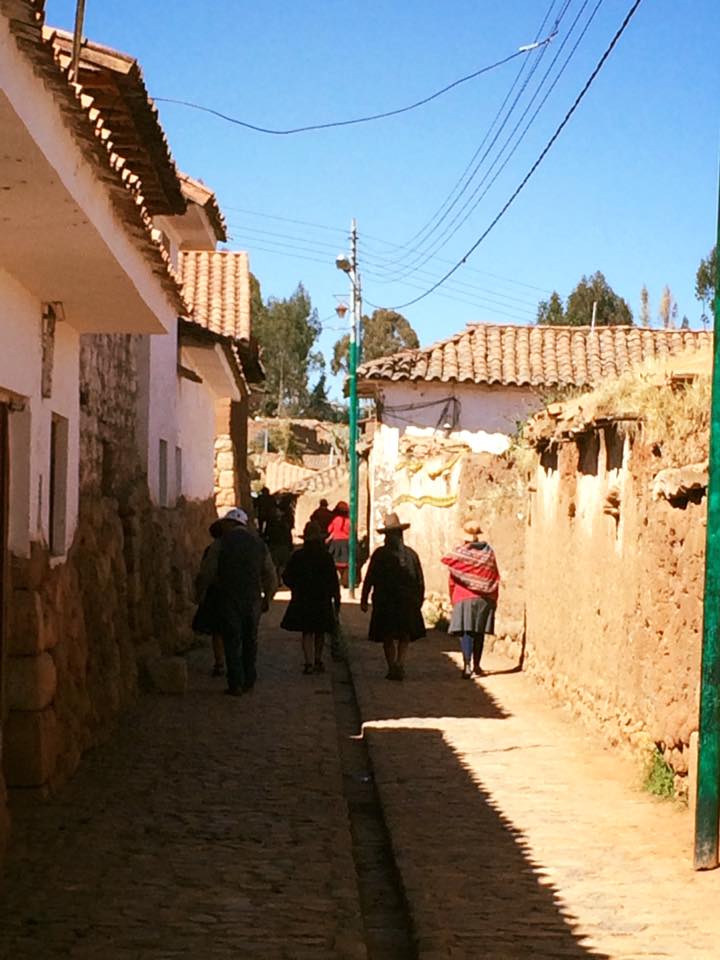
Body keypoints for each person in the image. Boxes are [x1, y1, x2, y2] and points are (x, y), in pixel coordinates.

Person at [211, 507, 278, 696]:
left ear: (230, 524)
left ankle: (235, 683)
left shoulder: (221, 543)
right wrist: (268, 597)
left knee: (232, 639)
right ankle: (249, 678)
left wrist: (201, 593)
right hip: (252, 599)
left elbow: (209, 570)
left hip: (229, 597)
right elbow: (270, 574)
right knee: (250, 639)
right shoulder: (258, 544)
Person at [360, 512, 425, 681]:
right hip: (406, 601)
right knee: (404, 634)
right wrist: (419, 599)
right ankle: (399, 664)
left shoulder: (380, 554)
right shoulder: (411, 555)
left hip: (385, 601)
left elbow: (370, 577)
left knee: (388, 635)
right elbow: (419, 580)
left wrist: (364, 598)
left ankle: (393, 666)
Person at [441, 520, 500, 679]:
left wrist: (453, 597)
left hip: (463, 597)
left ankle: (467, 665)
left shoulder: (459, 554)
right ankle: (477, 665)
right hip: (484, 598)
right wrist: (493, 597)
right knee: (478, 632)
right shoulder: (488, 552)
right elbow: (494, 575)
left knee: (467, 632)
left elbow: (452, 577)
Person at [280, 520, 340, 675]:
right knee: (320, 631)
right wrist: (336, 598)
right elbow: (333, 580)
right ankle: (318, 659)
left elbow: (286, 576)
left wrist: (296, 587)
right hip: (322, 598)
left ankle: (308, 662)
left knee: (307, 631)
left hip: (303, 597)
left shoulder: (298, 555)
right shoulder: (326, 557)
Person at [192, 516, 227, 677]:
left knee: (217, 631)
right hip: (231, 591)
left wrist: (200, 593)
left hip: (216, 593)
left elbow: (206, 572)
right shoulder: (234, 548)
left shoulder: (211, 550)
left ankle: (220, 662)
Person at [327, 500, 351, 587]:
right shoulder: (349, 521)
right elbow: (351, 532)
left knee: (334, 562)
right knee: (346, 563)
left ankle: (335, 580)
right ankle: (345, 582)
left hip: (336, 542)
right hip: (346, 542)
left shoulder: (335, 520)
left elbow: (329, 530)